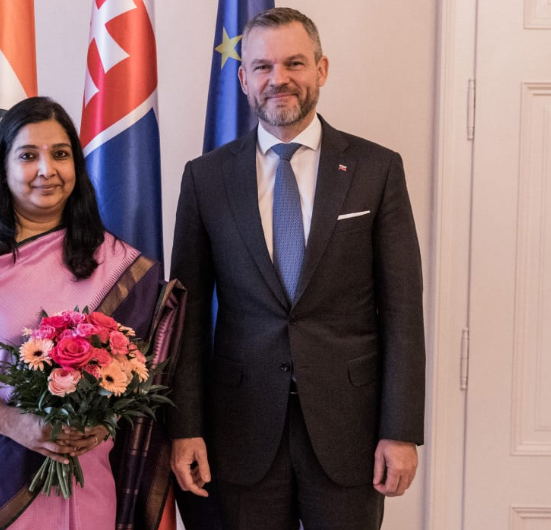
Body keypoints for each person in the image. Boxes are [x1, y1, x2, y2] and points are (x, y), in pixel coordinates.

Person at [167, 8, 426, 530]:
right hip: (238, 432)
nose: (278, 79)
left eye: (295, 64)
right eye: (262, 66)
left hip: (348, 431)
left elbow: (402, 311)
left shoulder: (378, 170)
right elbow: (187, 318)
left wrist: (401, 431)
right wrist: (184, 427)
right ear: (243, 79)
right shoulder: (206, 179)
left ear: (322, 70)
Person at [0, 97, 179, 530]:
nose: (47, 169)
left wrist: (98, 427)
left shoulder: (117, 264)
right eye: (28, 156)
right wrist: (13, 422)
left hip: (78, 487)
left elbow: (134, 374)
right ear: (2, 167)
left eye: (60, 154)